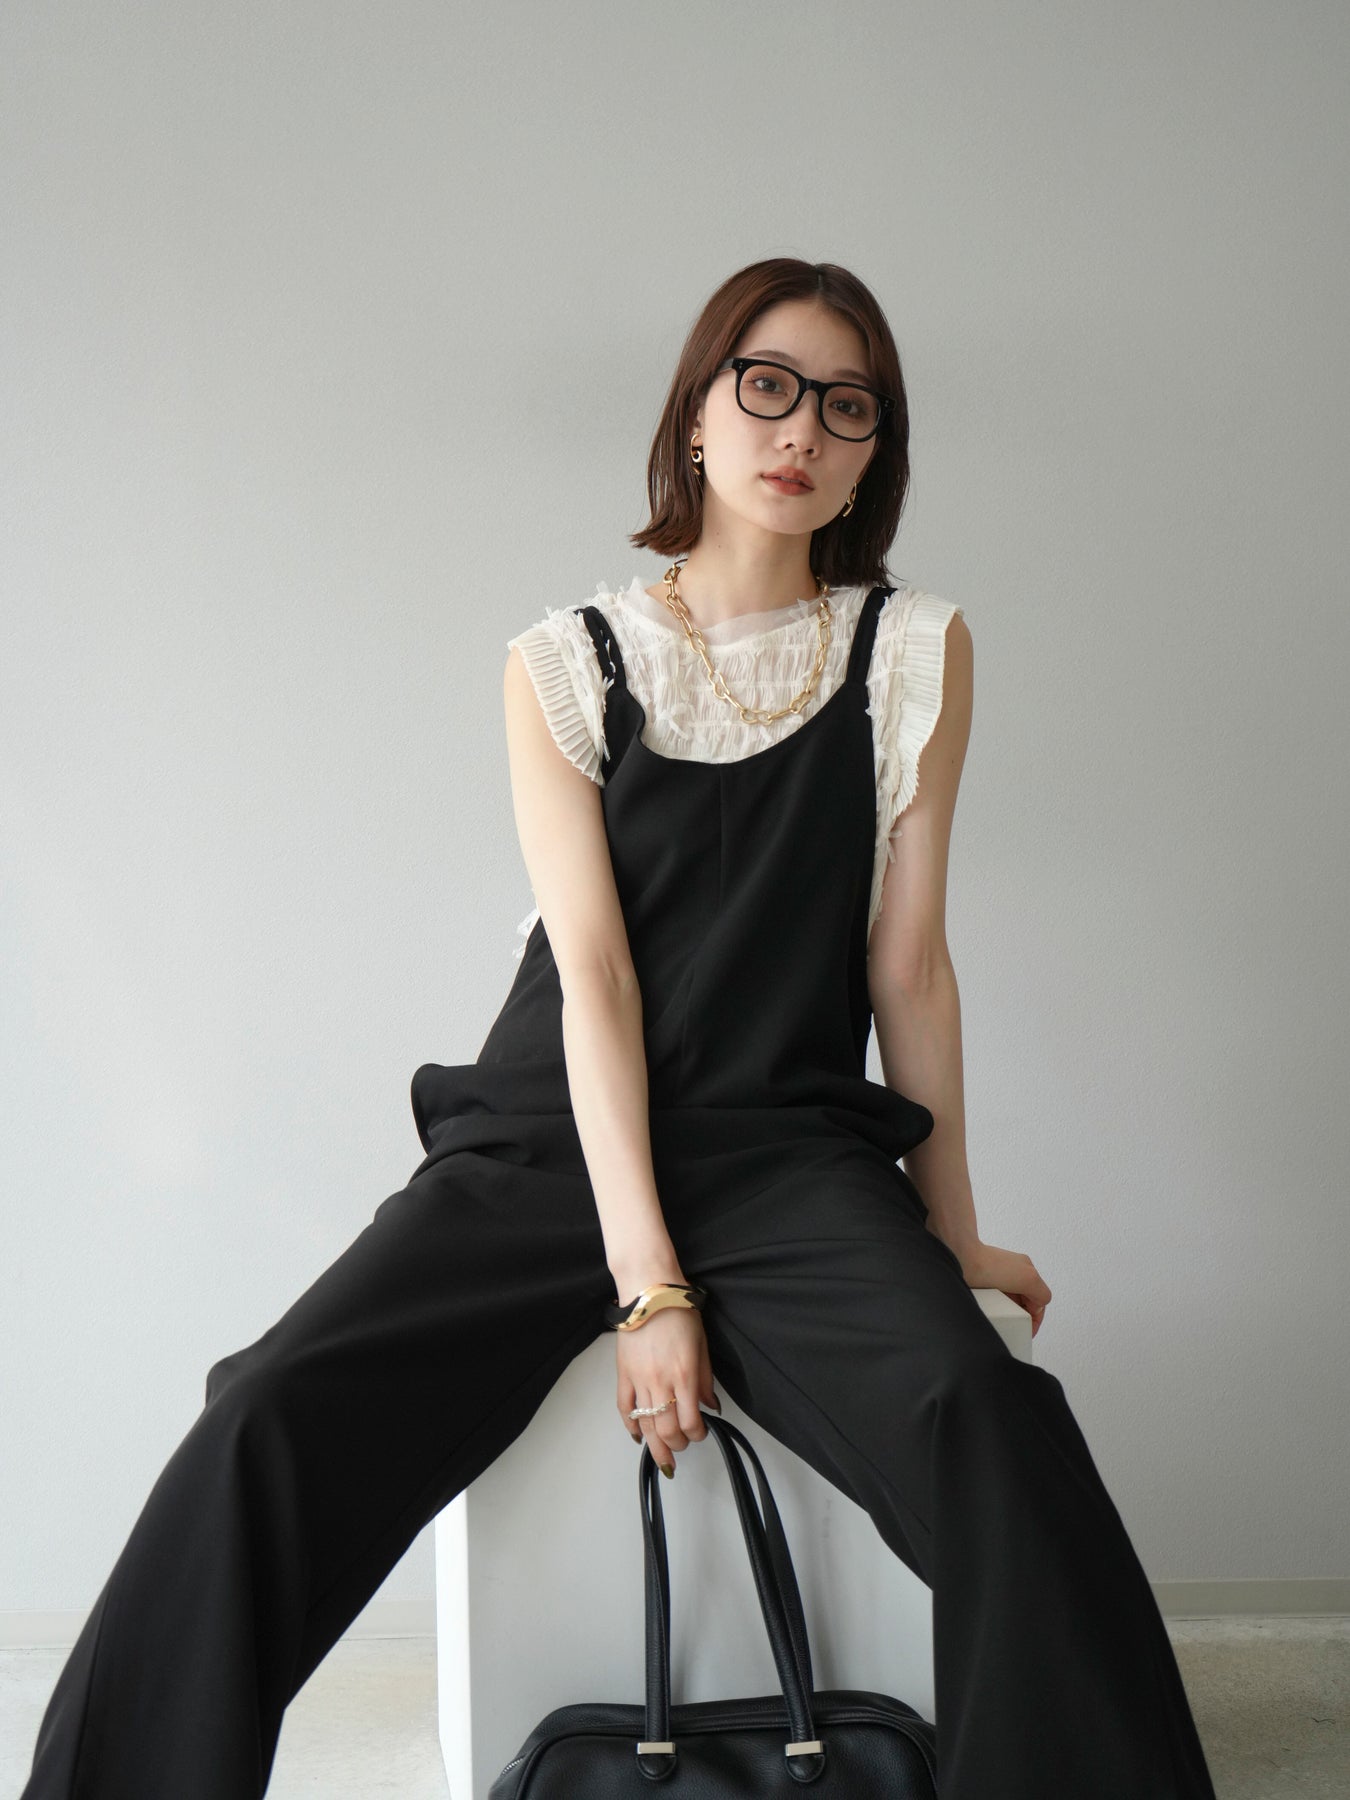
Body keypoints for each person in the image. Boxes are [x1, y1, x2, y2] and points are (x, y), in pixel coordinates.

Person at [19, 257, 1217, 1799]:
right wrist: (648, 1288)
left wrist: (951, 1230)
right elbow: (594, 977)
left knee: (989, 1417)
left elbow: (909, 966)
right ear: (697, 415)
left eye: (847, 406)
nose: (802, 429)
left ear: (875, 452)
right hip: (548, 1146)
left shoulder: (910, 649)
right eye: (766, 386)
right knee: (264, 1414)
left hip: (784, 1154)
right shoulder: (567, 660)